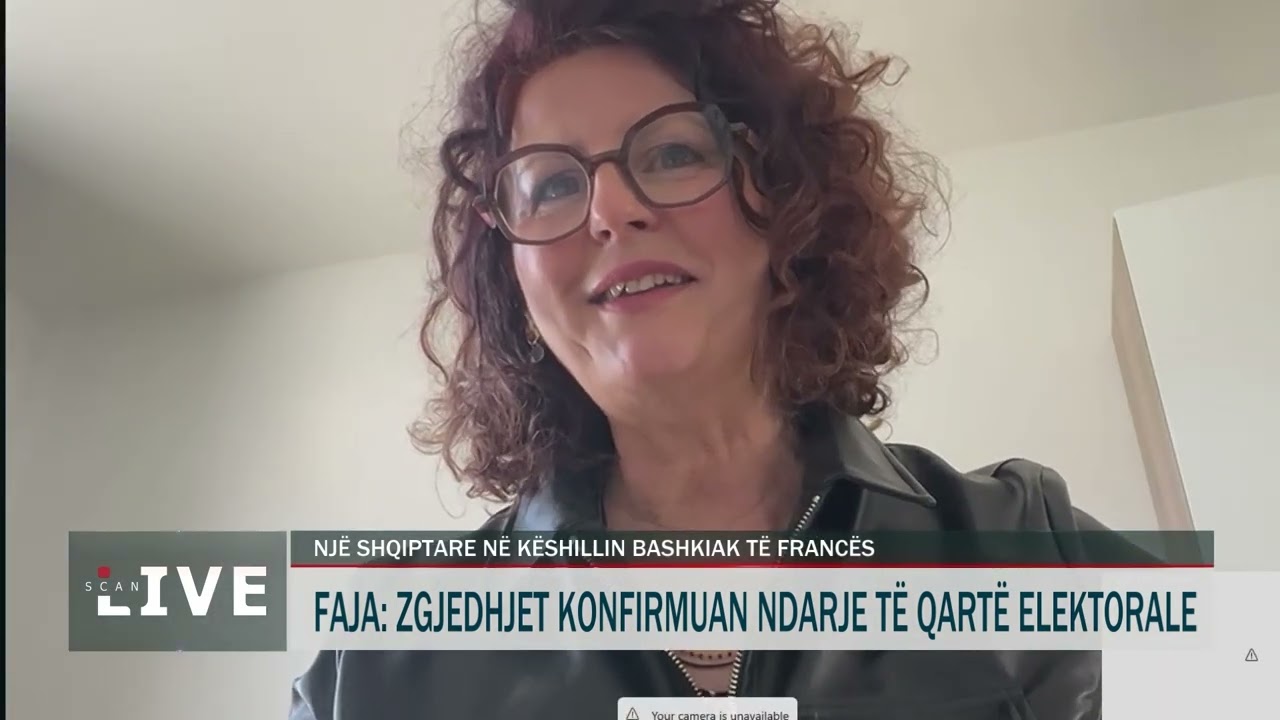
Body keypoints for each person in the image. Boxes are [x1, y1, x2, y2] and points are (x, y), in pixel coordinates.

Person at [291, 0, 1106, 717]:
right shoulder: (376, 666)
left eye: (673, 153)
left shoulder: (1028, 548)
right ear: (515, 282)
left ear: (785, 205)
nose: (610, 210)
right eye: (551, 186)